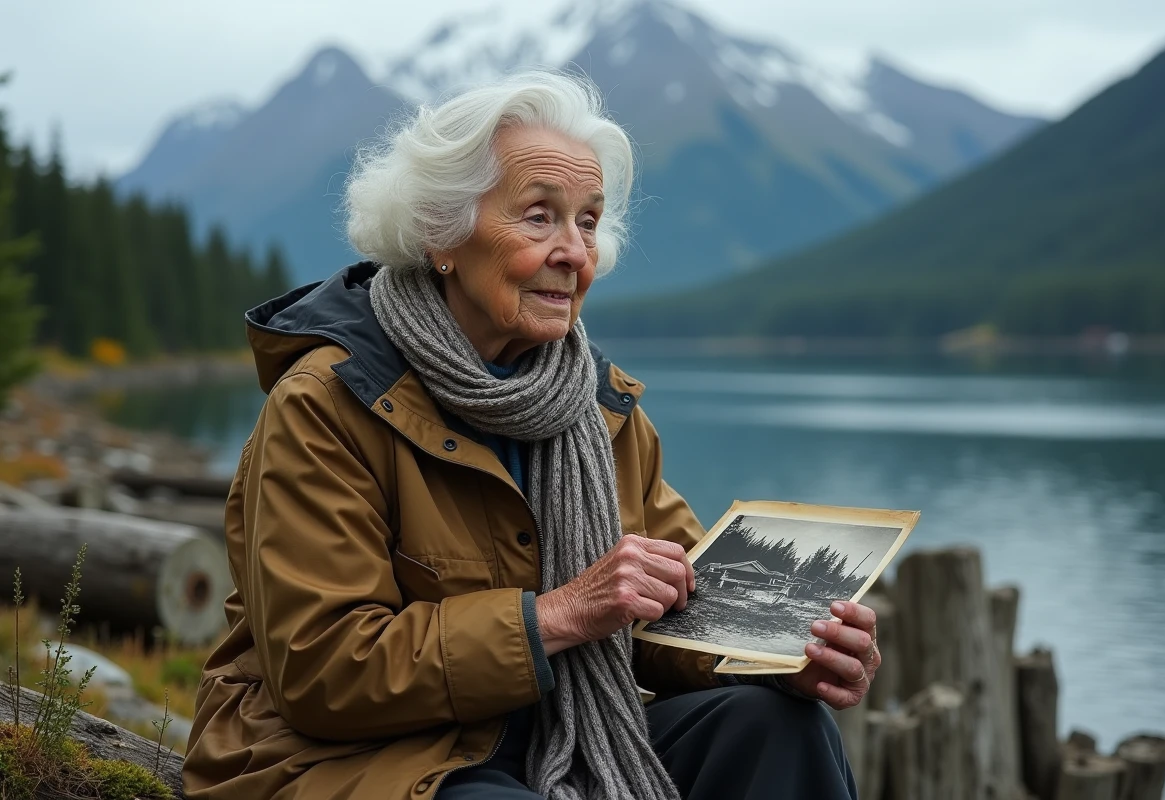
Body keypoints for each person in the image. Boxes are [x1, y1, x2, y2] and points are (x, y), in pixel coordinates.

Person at [182, 71, 880, 800]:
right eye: (539, 216)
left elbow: (677, 609)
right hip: (358, 761)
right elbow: (324, 670)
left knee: (776, 724)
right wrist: (561, 613)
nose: (575, 252)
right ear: (440, 232)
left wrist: (778, 656)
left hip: (556, 735)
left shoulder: (599, 409)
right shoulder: (326, 402)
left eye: (587, 221)